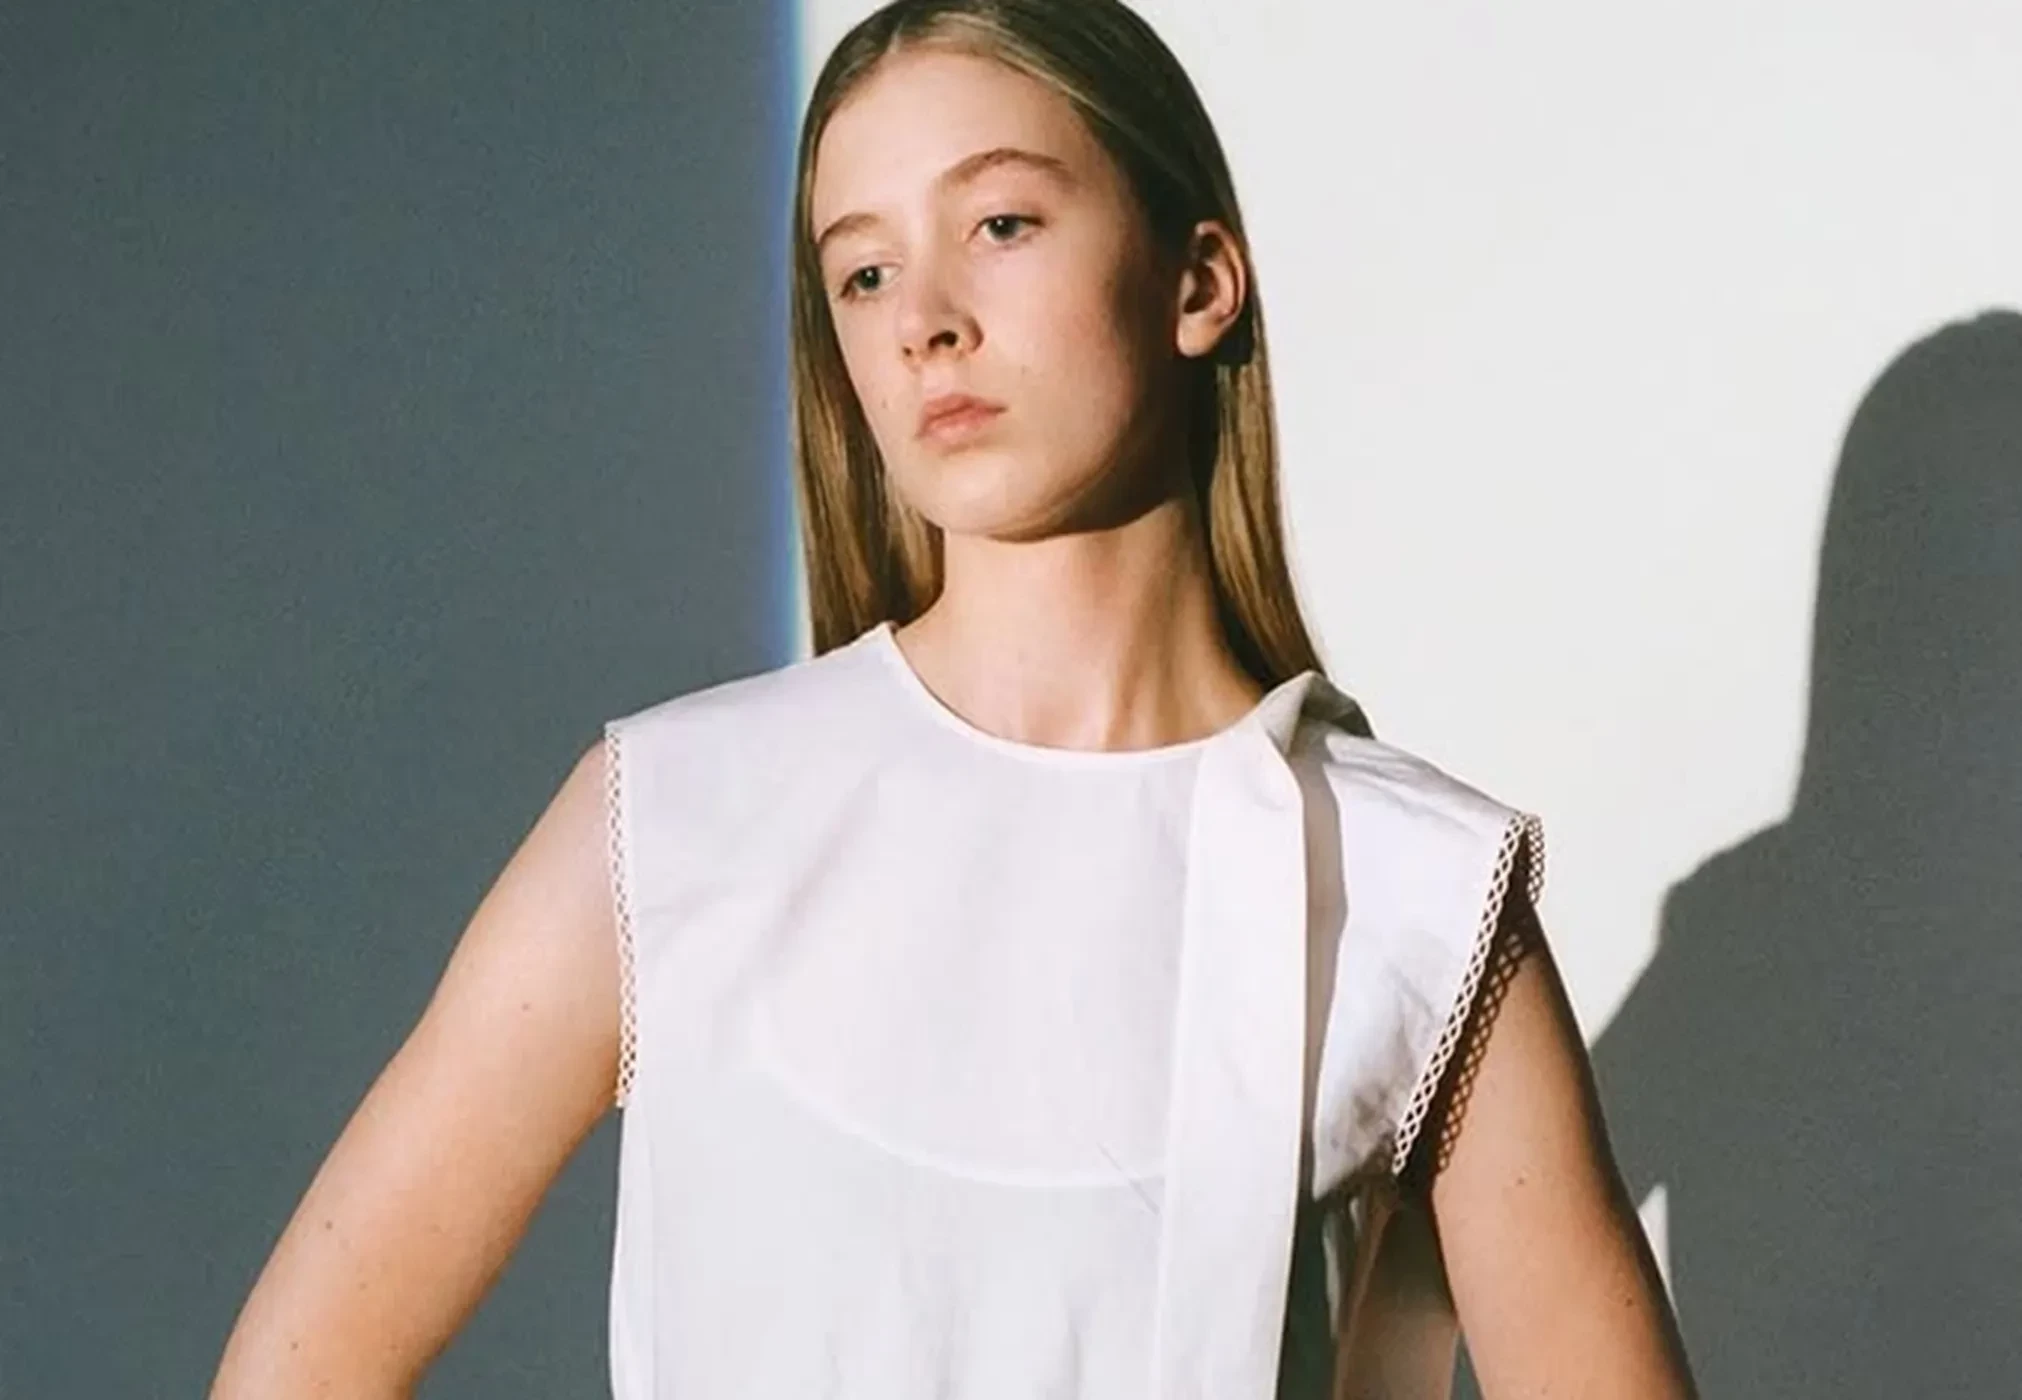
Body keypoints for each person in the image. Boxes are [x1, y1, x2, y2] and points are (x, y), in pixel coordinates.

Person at [211, 0, 1697, 1395]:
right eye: (863, 272)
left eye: (999, 224)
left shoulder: (1412, 889)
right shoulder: (672, 820)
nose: (923, 317)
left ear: (1196, 281)